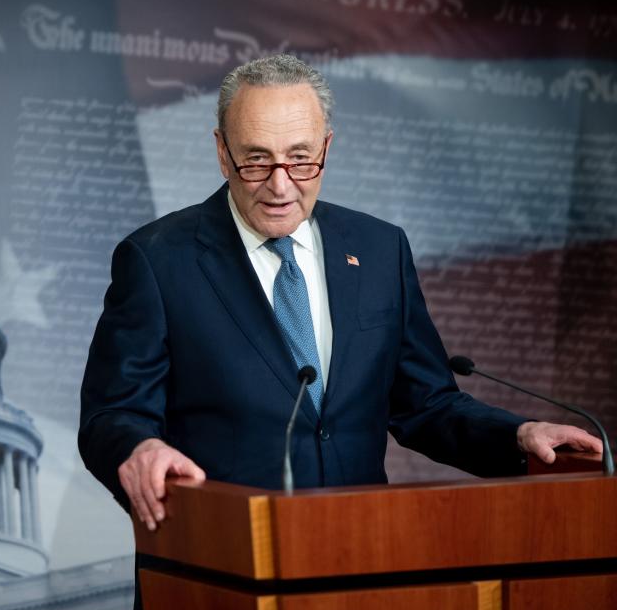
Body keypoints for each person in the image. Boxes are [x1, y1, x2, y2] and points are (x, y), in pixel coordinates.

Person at [78, 54, 602, 569]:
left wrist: (517, 435)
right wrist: (138, 448)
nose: (280, 185)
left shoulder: (379, 250)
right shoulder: (158, 260)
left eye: (300, 158)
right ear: (222, 152)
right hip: (219, 569)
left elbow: (426, 403)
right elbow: (111, 414)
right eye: (256, 159)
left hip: (360, 562)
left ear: (327, 147)